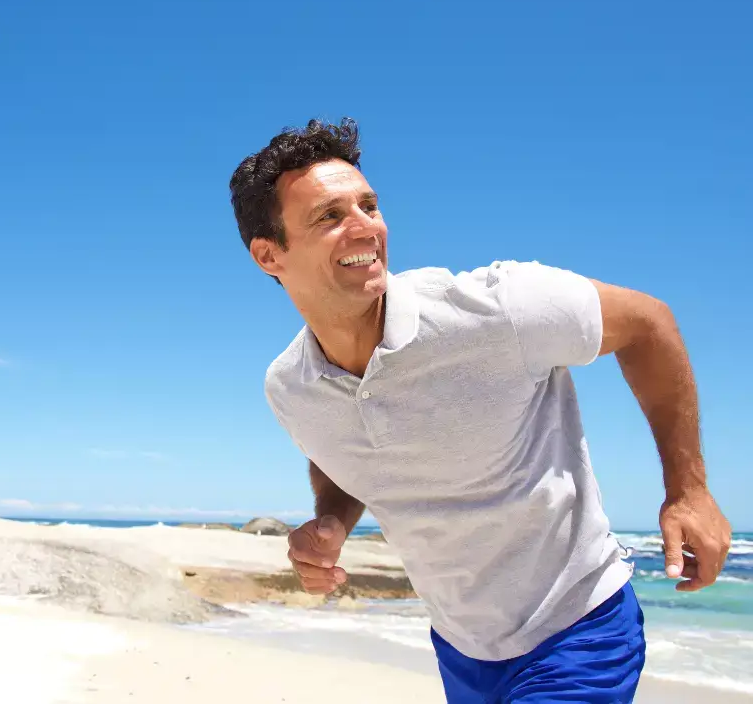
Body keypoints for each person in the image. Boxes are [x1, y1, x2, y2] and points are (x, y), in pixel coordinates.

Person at [228, 118, 732, 703]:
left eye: (369, 204)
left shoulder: (499, 308)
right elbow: (342, 451)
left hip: (579, 628)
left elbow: (649, 323)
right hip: (462, 647)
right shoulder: (292, 387)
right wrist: (334, 520)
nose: (365, 225)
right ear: (269, 254)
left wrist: (689, 490)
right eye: (329, 216)